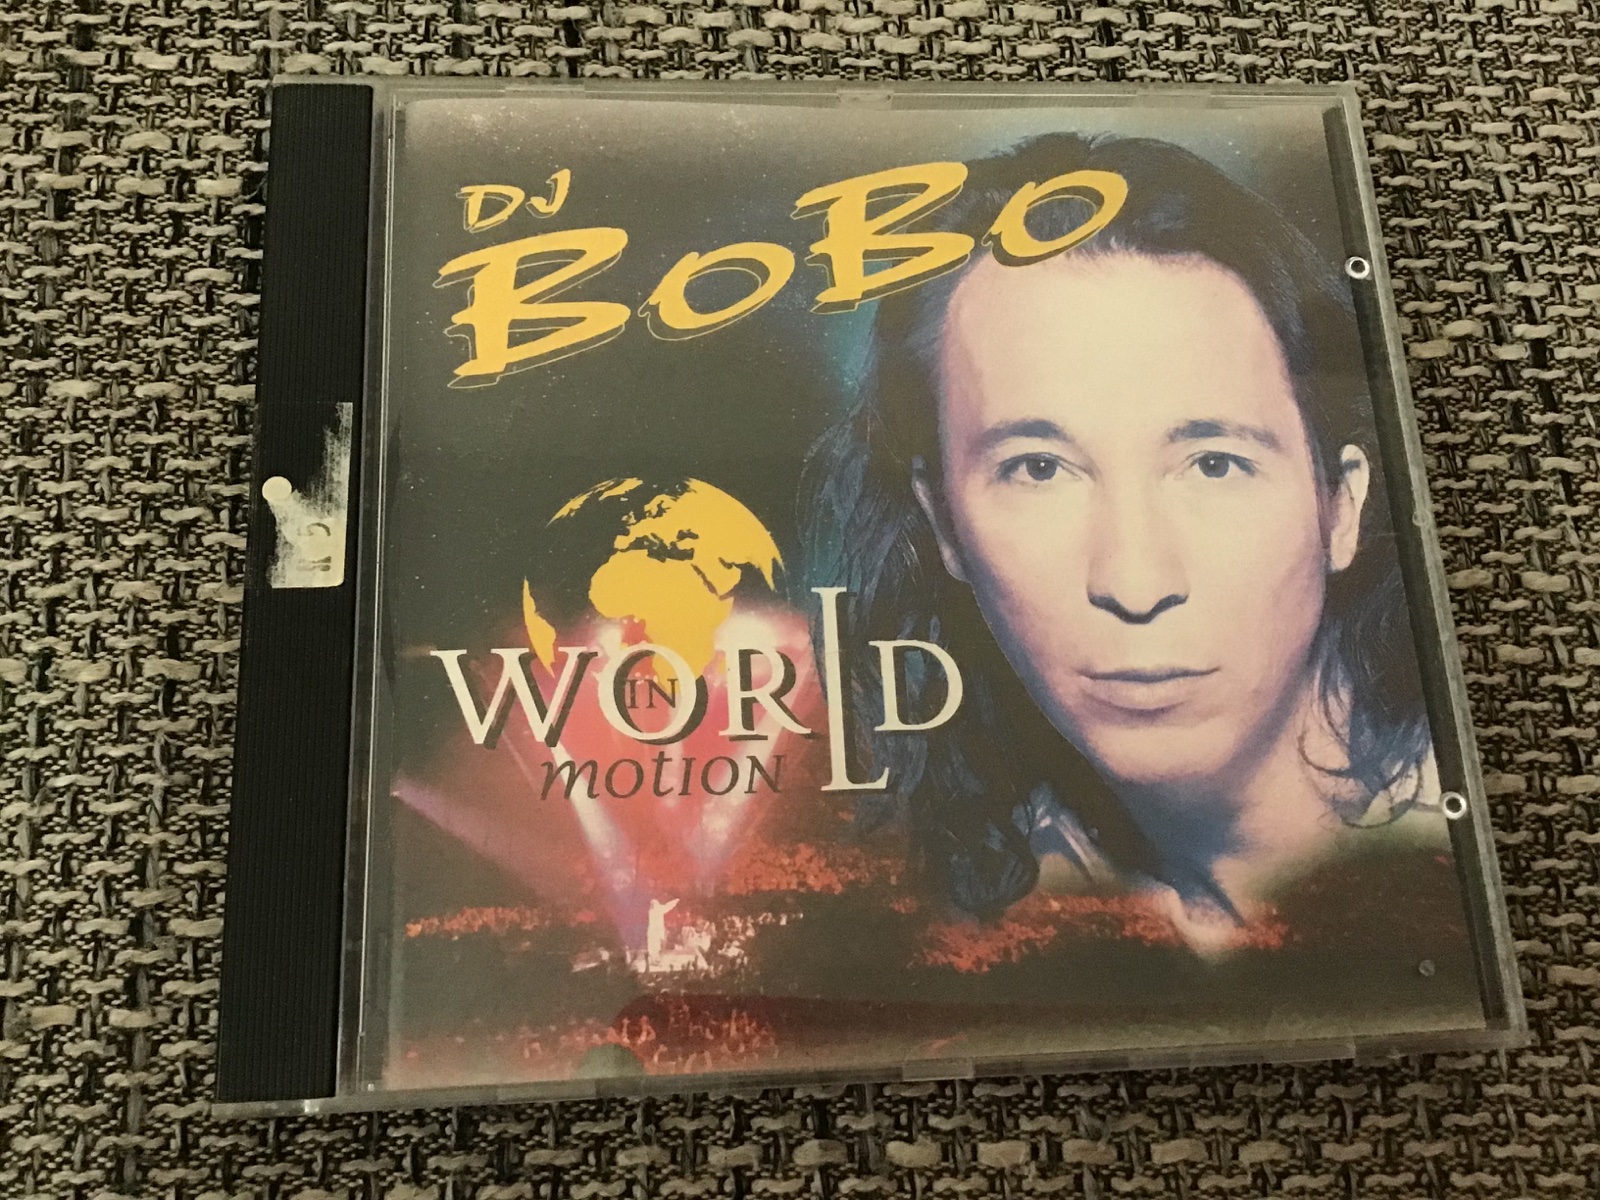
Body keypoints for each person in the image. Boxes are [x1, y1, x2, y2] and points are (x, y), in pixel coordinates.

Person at [802, 132, 1443, 944]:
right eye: (1039, 469)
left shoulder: (1457, 847)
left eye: (1215, 464)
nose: (1136, 581)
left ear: (1341, 506)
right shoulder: (982, 913)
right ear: (944, 528)